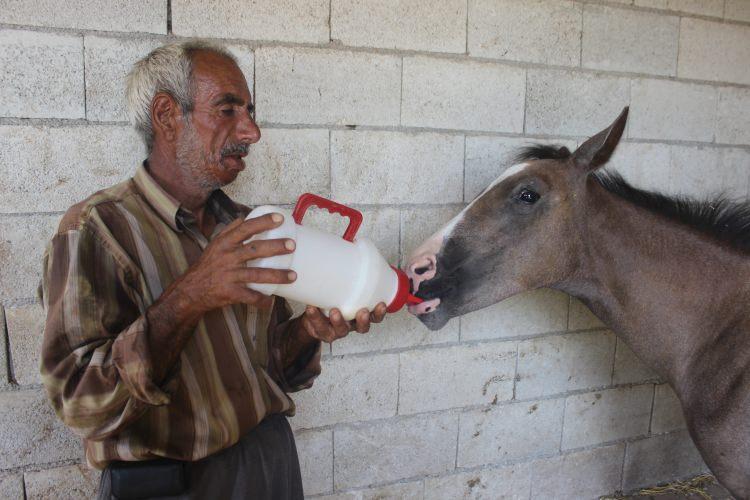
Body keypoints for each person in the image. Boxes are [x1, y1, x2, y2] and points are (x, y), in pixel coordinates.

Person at [39, 40, 387, 500]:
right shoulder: (97, 230)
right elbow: (81, 402)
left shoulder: (247, 226)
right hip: (167, 485)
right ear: (166, 115)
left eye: (250, 111)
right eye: (227, 110)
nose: (252, 131)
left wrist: (307, 331)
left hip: (269, 465)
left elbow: (269, 371)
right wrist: (193, 293)